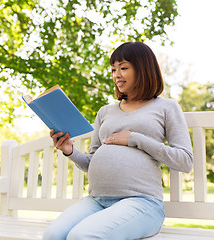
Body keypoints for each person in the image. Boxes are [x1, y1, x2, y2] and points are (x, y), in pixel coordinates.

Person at [43, 41, 193, 240]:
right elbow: (91, 163)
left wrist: (135, 139)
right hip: (97, 201)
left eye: (123, 68)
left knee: (82, 237)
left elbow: (185, 161)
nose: (116, 75)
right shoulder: (105, 112)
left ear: (143, 69)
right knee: (53, 235)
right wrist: (70, 151)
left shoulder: (166, 107)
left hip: (142, 202)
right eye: (113, 69)